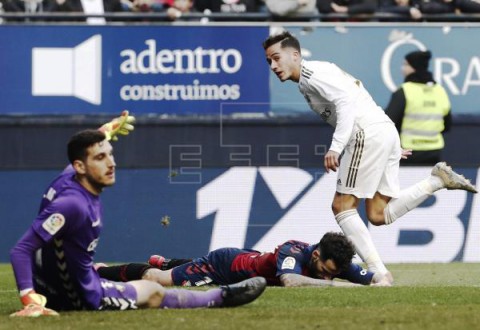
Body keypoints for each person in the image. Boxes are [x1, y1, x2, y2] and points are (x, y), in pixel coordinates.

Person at [261, 30, 477, 284]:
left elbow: (345, 104)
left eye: (277, 58)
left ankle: (379, 274)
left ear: (295, 55)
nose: (273, 66)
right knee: (378, 214)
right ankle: (437, 181)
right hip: (380, 131)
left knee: (342, 207)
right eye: (269, 61)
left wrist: (336, 146)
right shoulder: (314, 77)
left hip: (366, 134)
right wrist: (387, 141)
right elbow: (357, 96)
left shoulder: (313, 74)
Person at [9, 112, 266, 317]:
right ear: (81, 166)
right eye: (100, 157)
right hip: (79, 295)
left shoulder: (70, 175)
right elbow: (21, 250)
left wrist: (107, 129)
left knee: (110, 271)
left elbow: (89, 146)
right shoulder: (73, 205)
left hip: (53, 286)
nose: (111, 163)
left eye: (110, 154)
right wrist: (29, 299)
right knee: (153, 292)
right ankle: (220, 297)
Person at [96, 232, 391, 287]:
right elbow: (289, 281)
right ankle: (101, 271)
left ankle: (167, 261)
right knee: (154, 280)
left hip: (244, 259)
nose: (328, 277)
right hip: (223, 268)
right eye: (325, 272)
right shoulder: (293, 252)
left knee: (170, 269)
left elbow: (377, 279)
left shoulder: (333, 259)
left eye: (333, 274)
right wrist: (343, 286)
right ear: (315, 255)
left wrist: (380, 279)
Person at [385, 50, 451, 165]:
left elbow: (388, 122)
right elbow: (447, 125)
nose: (402, 68)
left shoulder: (404, 91)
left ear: (414, 67)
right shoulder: (440, 90)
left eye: (406, 64)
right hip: (434, 152)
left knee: (408, 183)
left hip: (408, 152)